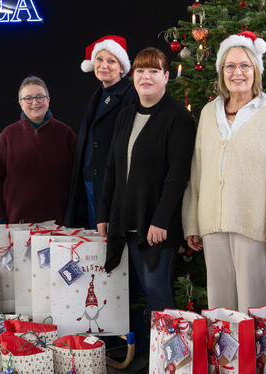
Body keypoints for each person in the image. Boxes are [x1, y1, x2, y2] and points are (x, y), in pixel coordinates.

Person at [182, 31, 266, 312]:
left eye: (245, 65)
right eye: (230, 66)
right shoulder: (210, 112)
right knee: (219, 306)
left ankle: (256, 357)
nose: (237, 73)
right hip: (213, 223)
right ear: (222, 72)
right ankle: (225, 357)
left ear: (256, 70)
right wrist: (192, 222)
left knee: (254, 304)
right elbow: (197, 169)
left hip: (254, 224)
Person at [97, 46, 195, 323]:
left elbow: (178, 176)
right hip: (125, 221)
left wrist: (161, 220)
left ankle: (170, 360)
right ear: (133, 77)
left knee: (157, 291)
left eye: (154, 71)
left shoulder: (178, 118)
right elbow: (113, 169)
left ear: (166, 76)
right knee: (138, 291)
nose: (146, 77)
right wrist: (105, 213)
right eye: (140, 71)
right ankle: (149, 353)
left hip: (156, 226)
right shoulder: (126, 115)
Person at [64, 35, 137, 229]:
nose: (104, 65)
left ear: (122, 67)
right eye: (99, 60)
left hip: (110, 184)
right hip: (90, 179)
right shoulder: (98, 96)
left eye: (111, 61)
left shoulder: (130, 95)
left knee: (108, 243)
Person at [0, 76, 76, 224]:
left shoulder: (65, 134)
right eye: (28, 98)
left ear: (48, 99)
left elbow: (77, 180)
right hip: (17, 224)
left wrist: (75, 217)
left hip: (59, 225)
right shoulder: (7, 136)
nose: (35, 102)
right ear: (20, 103)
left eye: (40, 97)